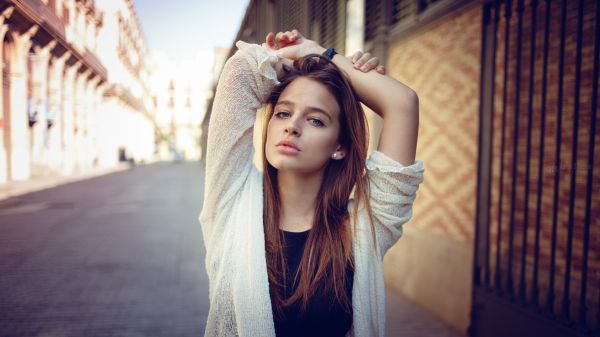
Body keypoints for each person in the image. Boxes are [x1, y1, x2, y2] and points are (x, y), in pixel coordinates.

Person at [199, 29, 425, 337]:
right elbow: (241, 72)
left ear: (339, 146)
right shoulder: (232, 202)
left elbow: (403, 103)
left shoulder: (364, 225)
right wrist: (300, 60)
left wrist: (323, 54)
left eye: (316, 120)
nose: (292, 126)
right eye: (283, 113)